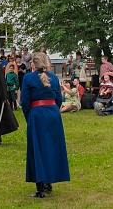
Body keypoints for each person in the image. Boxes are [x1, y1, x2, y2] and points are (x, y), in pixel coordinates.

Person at [21, 52, 70, 198]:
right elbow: (58, 99)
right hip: (53, 114)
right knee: (52, 147)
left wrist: (29, 117)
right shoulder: (54, 77)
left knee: (38, 148)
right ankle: (49, 182)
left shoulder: (28, 77)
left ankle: (40, 188)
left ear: (33, 64)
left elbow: (25, 101)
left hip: (37, 114)